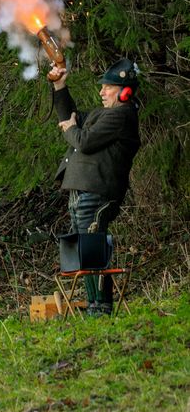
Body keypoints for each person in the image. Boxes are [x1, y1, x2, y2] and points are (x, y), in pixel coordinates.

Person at [51, 57, 141, 316]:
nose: (101, 91)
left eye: (108, 87)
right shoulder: (107, 114)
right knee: (86, 250)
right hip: (83, 190)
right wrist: (60, 87)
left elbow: (85, 141)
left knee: (93, 249)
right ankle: (95, 306)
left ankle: (100, 307)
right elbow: (70, 116)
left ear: (124, 91)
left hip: (96, 191)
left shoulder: (122, 115)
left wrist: (70, 130)